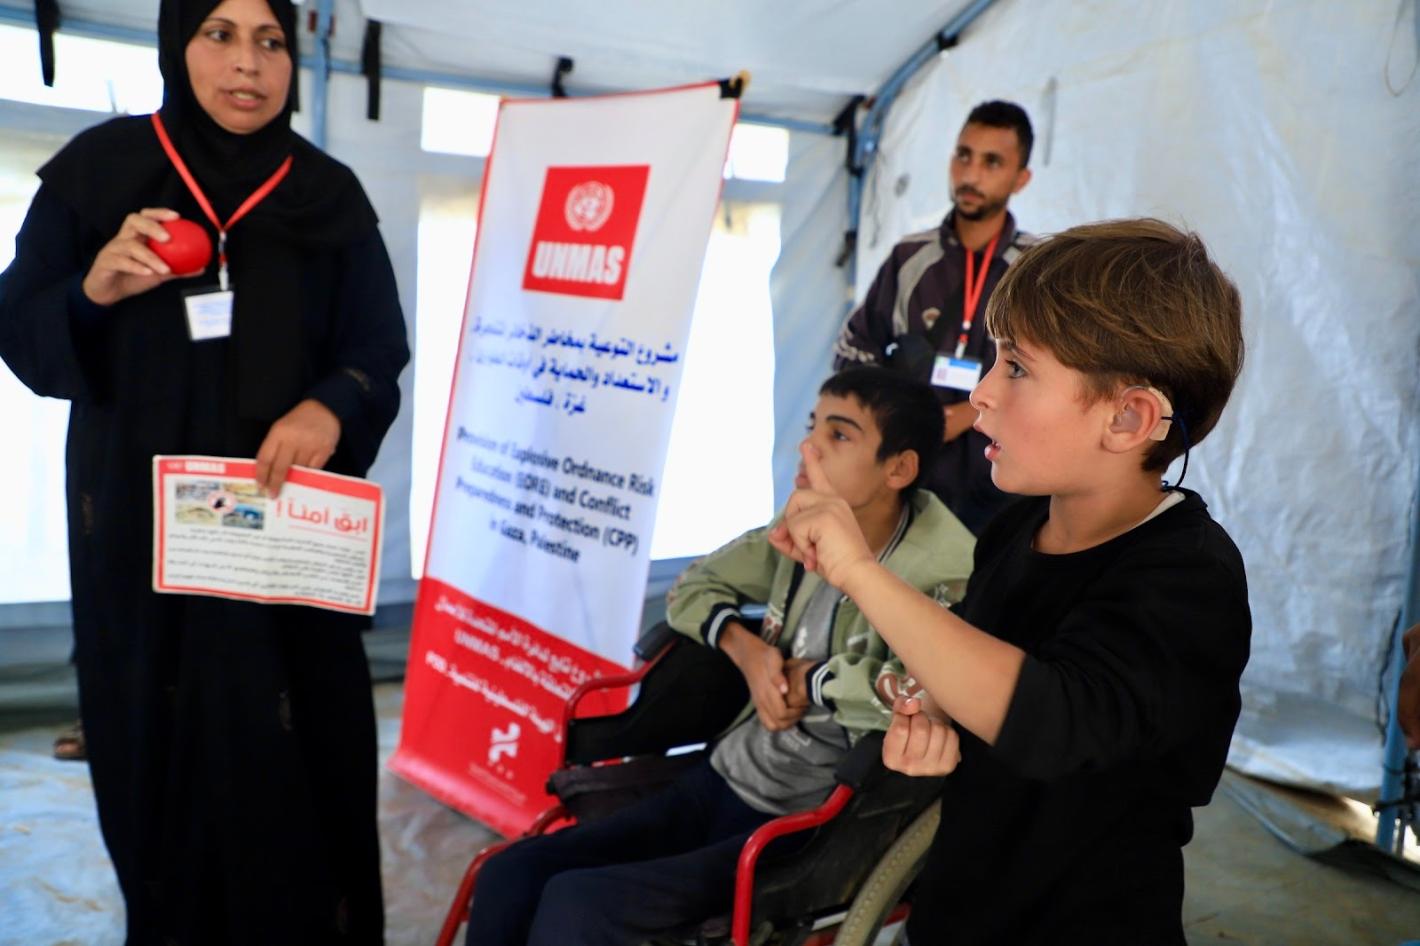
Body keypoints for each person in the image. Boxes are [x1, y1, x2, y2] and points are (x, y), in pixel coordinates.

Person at [0, 1, 408, 942]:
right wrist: (94, 289)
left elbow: (378, 344)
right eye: (219, 33)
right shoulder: (100, 175)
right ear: (175, 43)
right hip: (140, 533)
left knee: (299, 744)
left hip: (284, 531)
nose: (248, 65)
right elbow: (21, 329)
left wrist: (330, 404)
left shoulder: (326, 195)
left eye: (270, 40)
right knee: (158, 741)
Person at [772, 219, 1251, 944]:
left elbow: (1053, 717)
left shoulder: (1190, 579)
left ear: (1129, 418)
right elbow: (975, 668)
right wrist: (926, 701)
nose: (982, 393)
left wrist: (858, 571)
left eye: (1017, 369)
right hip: (957, 908)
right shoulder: (1011, 528)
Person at [464, 367, 975, 946]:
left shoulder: (949, 568)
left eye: (838, 435)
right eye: (812, 427)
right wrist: (748, 650)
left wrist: (819, 682)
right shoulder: (802, 524)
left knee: (578, 901)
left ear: (899, 468)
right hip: (725, 775)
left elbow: (935, 693)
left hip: (813, 825)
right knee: (511, 872)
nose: (807, 447)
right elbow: (692, 587)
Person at [833, 100, 1037, 535]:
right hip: (901, 488)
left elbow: (1061, 380)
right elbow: (853, 352)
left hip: (1003, 495)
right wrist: (897, 416)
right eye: (963, 155)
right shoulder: (910, 257)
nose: (971, 174)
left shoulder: (1038, 268)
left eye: (992, 162)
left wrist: (968, 413)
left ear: (1021, 179)